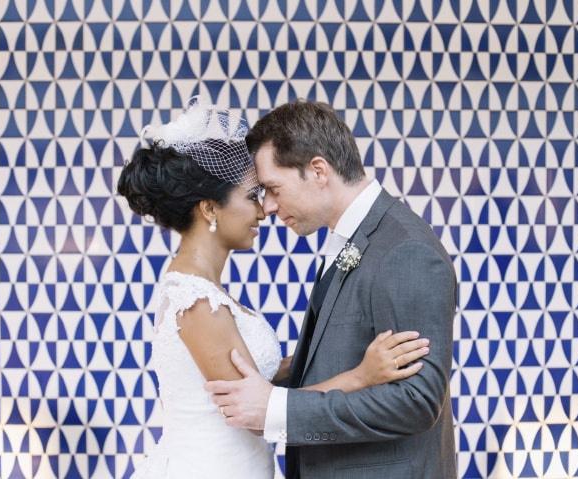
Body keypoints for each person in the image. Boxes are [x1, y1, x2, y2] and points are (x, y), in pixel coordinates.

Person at [117, 98, 431, 478]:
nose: (264, 209)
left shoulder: (206, 291)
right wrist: (360, 376)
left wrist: (329, 361)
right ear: (210, 209)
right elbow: (254, 413)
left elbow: (255, 382)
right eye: (253, 196)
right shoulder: (196, 301)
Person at [206, 100, 457, 478]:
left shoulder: (406, 251)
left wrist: (278, 410)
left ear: (318, 170)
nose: (269, 207)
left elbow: (417, 401)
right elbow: (333, 358)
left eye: (274, 188)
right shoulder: (355, 238)